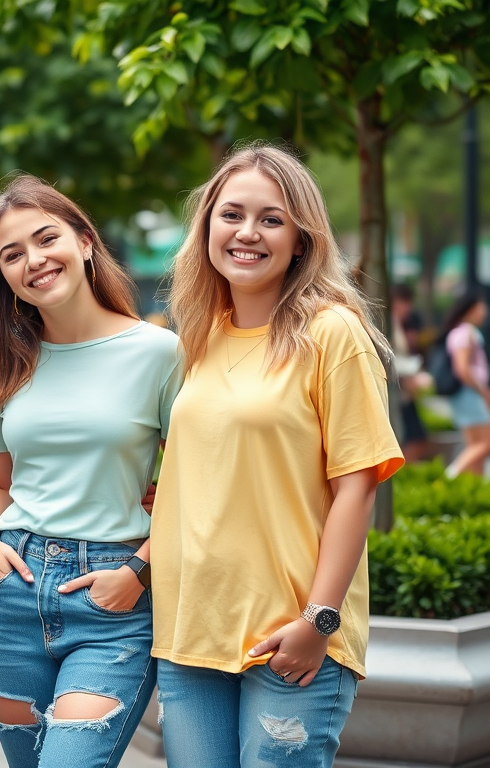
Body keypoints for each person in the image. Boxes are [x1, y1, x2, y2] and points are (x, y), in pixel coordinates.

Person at [151, 144, 404, 768]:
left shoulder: (332, 333)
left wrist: (317, 622)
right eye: (231, 214)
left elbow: (357, 486)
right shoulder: (196, 336)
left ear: (302, 239)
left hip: (290, 635)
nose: (247, 233)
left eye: (271, 219)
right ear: (206, 225)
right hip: (191, 635)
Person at [0, 175, 181, 768]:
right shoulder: (4, 362)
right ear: (2, 274)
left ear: (85, 241)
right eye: (12, 255)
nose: (33, 261)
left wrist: (138, 570)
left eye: (45, 239)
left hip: (112, 595)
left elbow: (192, 487)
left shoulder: (158, 353)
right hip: (12, 593)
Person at [440, 289, 490, 478]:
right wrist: (482, 391)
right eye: (481, 306)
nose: (484, 311)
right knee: (485, 443)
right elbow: (462, 369)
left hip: (466, 394)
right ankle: (449, 475)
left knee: (475, 444)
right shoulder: (466, 333)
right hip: (469, 394)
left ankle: (474, 486)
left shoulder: (460, 332)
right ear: (471, 308)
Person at [390, 284, 430, 463]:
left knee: (414, 439)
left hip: (402, 392)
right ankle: (399, 478)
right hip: (397, 393)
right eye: (405, 302)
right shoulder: (388, 322)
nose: (408, 308)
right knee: (414, 440)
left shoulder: (397, 323)